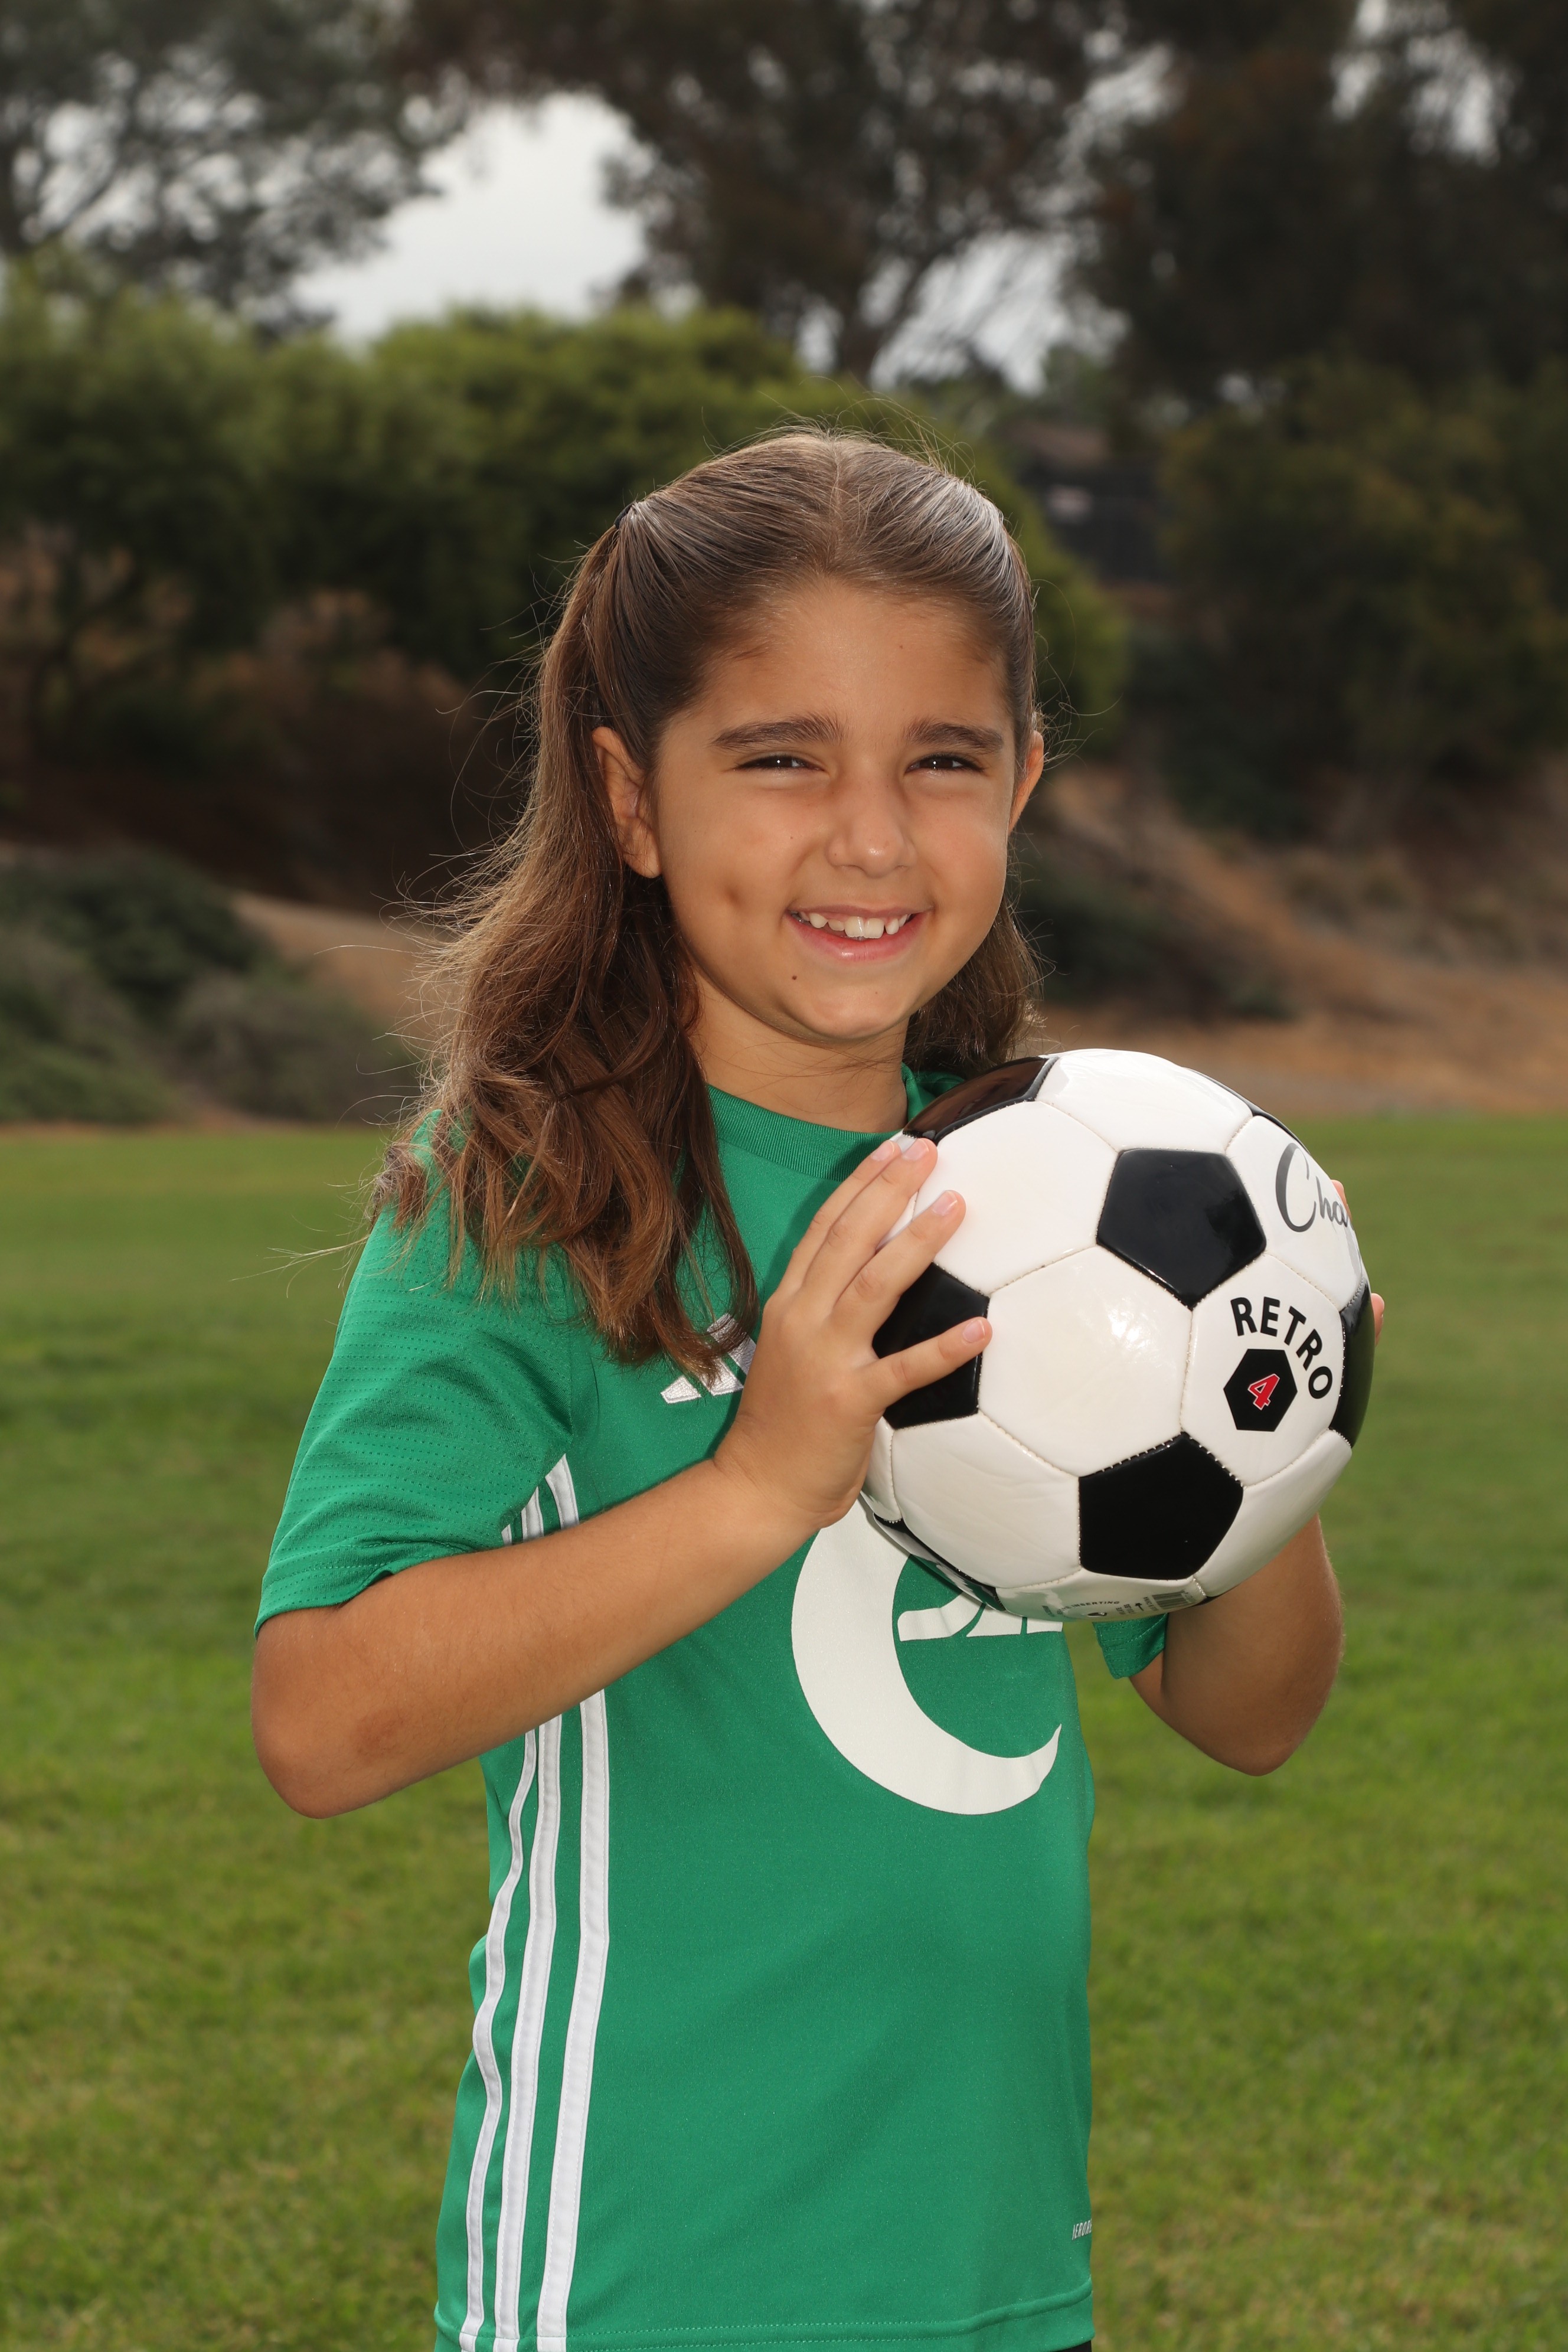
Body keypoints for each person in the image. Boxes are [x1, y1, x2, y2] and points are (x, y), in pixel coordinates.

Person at [252, 432, 1361, 2352]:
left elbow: (1247, 1715)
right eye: (782, 759)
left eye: (942, 760)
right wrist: (758, 1487)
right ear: (634, 799)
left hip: (993, 2271)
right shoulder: (532, 1194)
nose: (870, 837)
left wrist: (1263, 1432)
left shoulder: (1043, 1199)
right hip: (650, 2272)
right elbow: (322, 1719)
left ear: (1022, 781)